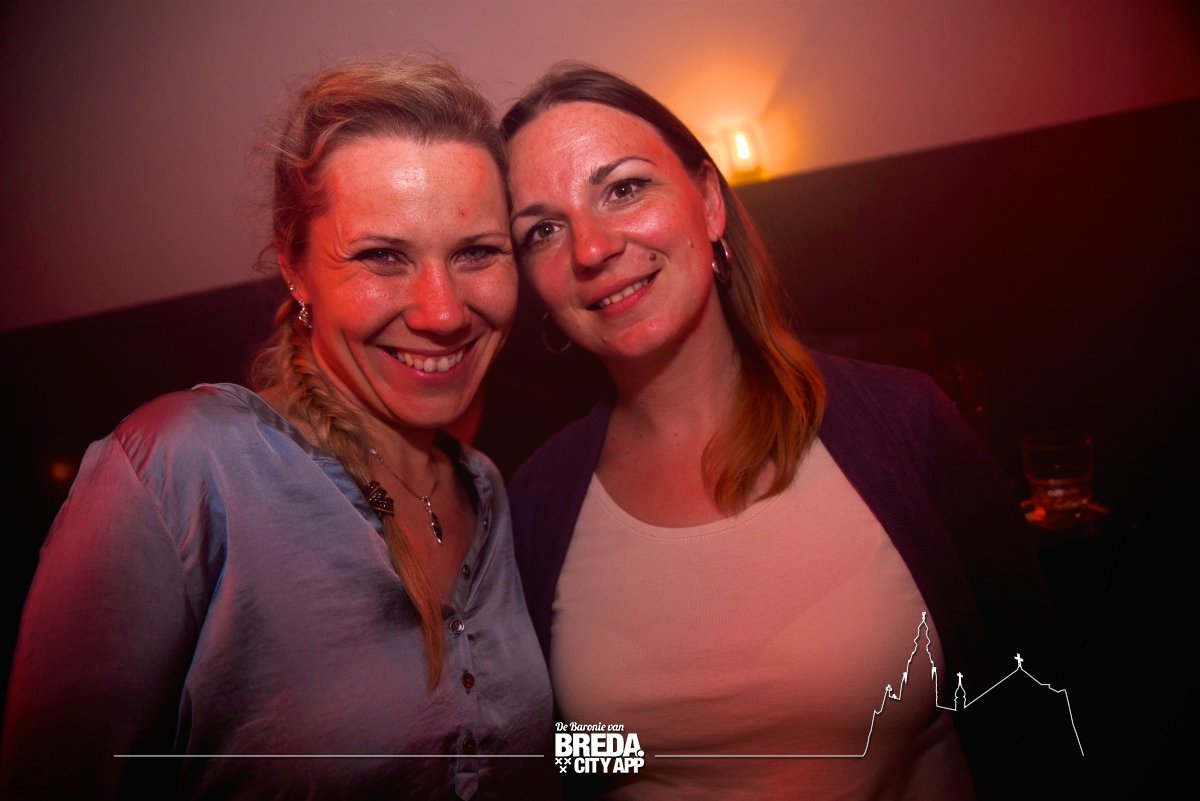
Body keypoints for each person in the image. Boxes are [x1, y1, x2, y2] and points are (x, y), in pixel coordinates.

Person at [1, 58, 555, 800]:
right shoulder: (183, 468)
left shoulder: (485, 490)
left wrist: (664, 752)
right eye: (382, 256)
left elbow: (534, 756)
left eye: (477, 253)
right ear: (296, 266)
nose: (443, 311)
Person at [502, 66, 1049, 800]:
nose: (591, 248)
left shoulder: (904, 425)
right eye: (543, 230)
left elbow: (1029, 702)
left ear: (708, 201)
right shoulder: (535, 503)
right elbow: (560, 759)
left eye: (624, 188)